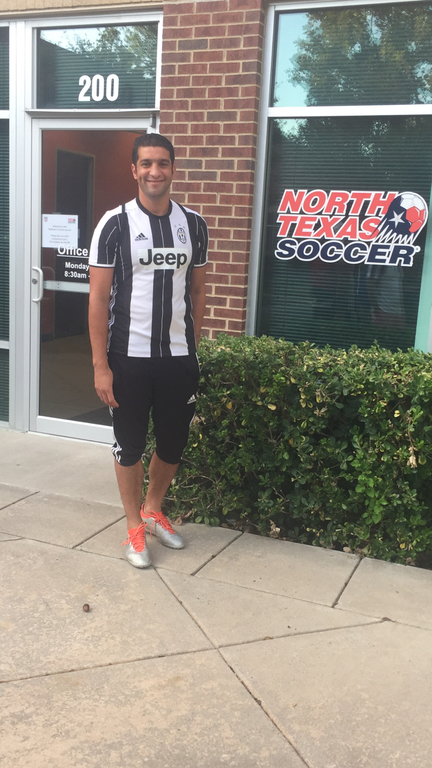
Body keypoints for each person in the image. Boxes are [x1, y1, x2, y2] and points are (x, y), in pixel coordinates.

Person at [88, 133, 208, 568]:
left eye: (162, 163)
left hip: (178, 359)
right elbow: (98, 299)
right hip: (128, 359)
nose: (154, 171)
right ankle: (133, 527)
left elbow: (197, 290)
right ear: (134, 170)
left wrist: (192, 348)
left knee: (174, 443)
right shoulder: (114, 224)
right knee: (130, 447)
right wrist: (100, 366)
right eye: (146, 163)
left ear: (173, 168)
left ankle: (153, 510)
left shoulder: (194, 224)